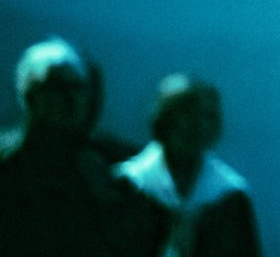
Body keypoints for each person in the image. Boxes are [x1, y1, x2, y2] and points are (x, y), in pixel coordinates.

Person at [0, 37, 167, 257]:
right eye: (56, 87)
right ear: (30, 96)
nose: (70, 98)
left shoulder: (122, 162)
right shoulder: (8, 161)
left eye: (77, 87)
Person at [116, 73, 263, 257]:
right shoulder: (129, 184)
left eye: (208, 116)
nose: (199, 125)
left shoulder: (230, 197)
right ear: (165, 118)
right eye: (187, 113)